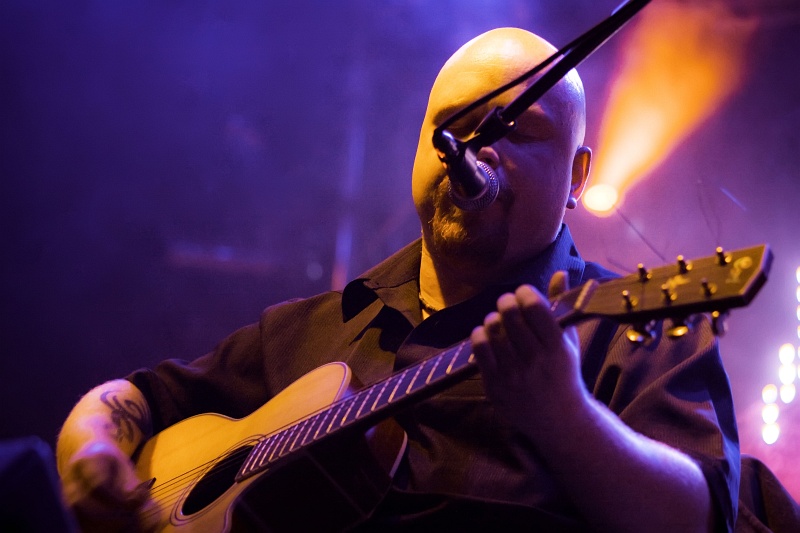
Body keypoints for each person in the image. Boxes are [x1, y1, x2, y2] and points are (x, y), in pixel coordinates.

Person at [56, 28, 739, 532]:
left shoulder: (632, 328)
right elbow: (138, 398)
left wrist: (566, 416)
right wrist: (88, 451)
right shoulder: (305, 328)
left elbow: (702, 519)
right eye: (453, 129)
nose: (475, 152)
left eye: (515, 131)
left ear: (578, 176)